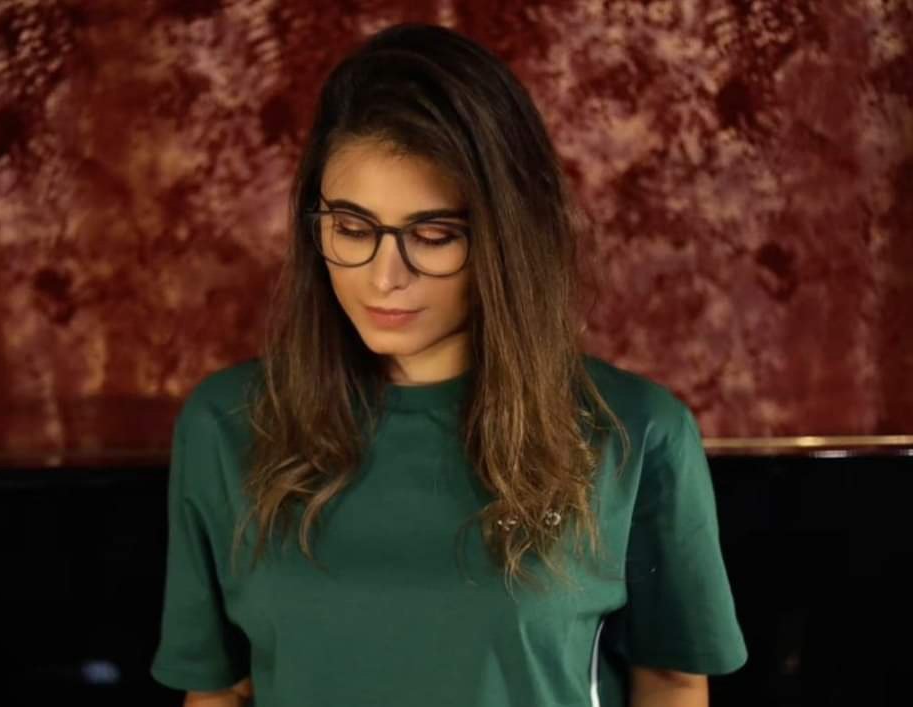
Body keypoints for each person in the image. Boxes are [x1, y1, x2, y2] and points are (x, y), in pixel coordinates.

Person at [150, 22, 747, 707]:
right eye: (352, 229)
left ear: (508, 234)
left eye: (433, 236)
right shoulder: (226, 425)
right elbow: (215, 692)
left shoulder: (636, 433)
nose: (385, 277)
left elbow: (672, 680)